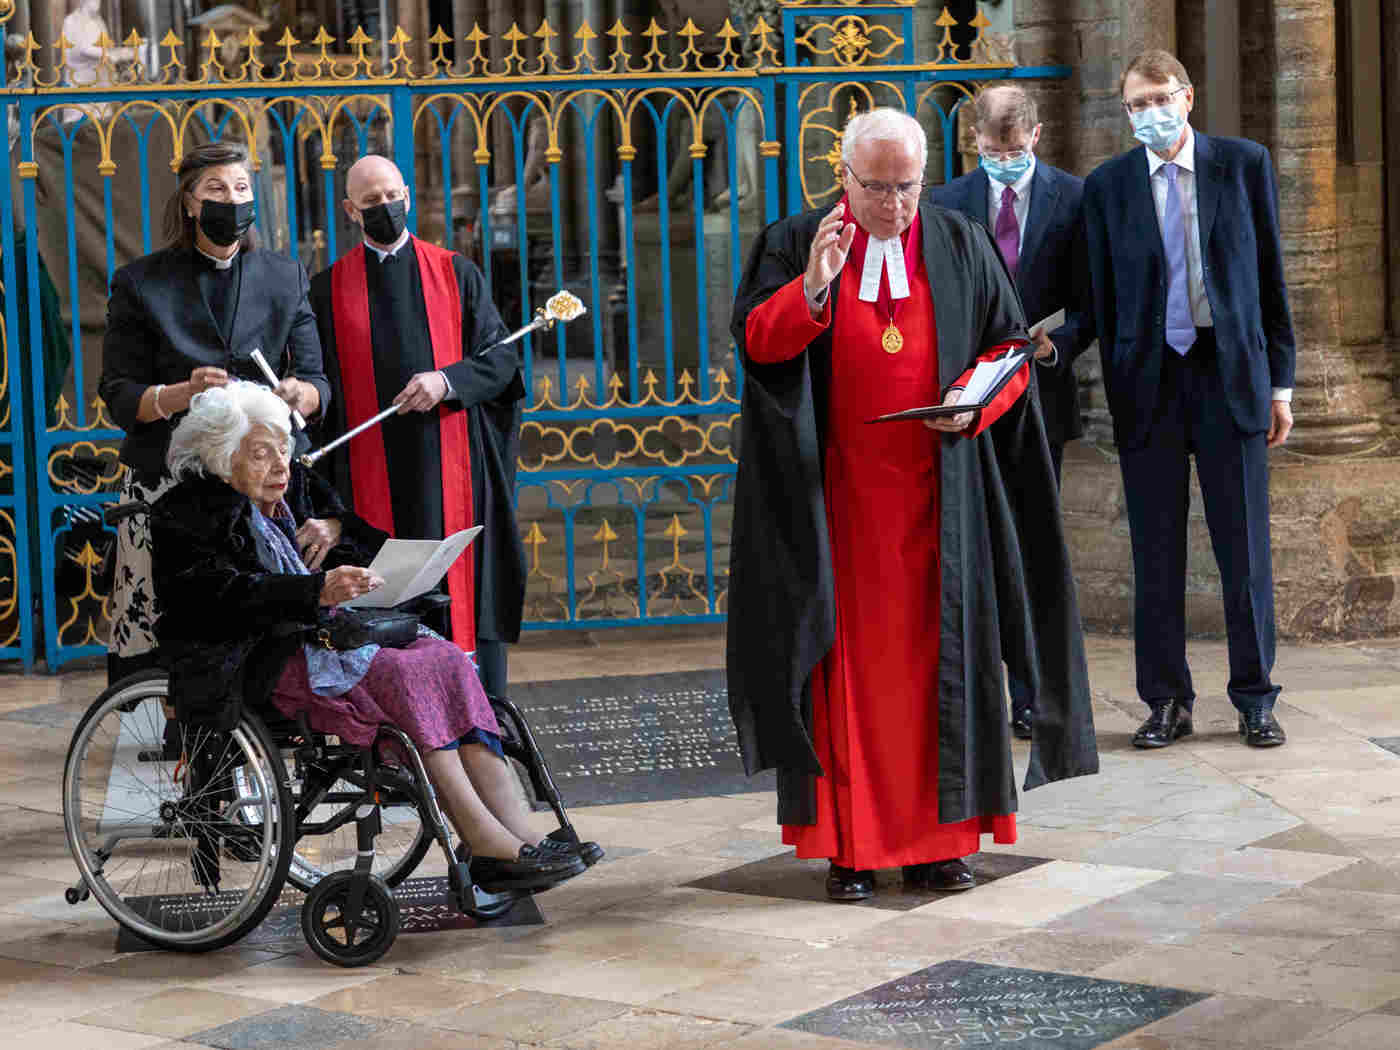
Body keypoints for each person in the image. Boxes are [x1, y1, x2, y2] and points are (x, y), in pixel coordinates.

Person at [728, 107, 1097, 903]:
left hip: (944, 502)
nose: (894, 205)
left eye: (908, 187)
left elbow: (1010, 349)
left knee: (947, 672)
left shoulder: (961, 242)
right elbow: (758, 346)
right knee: (852, 685)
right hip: (838, 509)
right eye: (877, 188)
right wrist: (813, 287)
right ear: (844, 177)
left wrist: (975, 403)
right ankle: (852, 850)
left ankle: (942, 846)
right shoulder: (796, 242)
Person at [150, 381, 595, 891]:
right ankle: (485, 840)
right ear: (222, 456)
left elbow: (361, 536)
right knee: (404, 675)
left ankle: (519, 832)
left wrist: (336, 530)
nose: (280, 465)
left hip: (326, 636)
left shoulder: (294, 487)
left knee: (446, 659)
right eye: (260, 454)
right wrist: (314, 590)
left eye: (283, 449)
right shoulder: (188, 513)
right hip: (255, 655)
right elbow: (214, 596)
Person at [1081, 50, 1295, 750]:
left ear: (1188, 97)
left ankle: (1255, 698)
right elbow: (1100, 296)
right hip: (1150, 383)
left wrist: (1281, 385)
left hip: (1229, 375)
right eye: (1137, 104)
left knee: (1244, 552)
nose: (1151, 113)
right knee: (1156, 554)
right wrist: (1062, 349)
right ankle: (1166, 700)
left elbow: (1271, 277)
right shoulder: (1108, 185)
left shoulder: (1243, 164)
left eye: (1160, 98)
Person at [98, 140, 327, 683]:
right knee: (162, 632)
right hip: (168, 483)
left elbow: (318, 384)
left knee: (263, 628)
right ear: (189, 202)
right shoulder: (141, 282)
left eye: (241, 187)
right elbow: (119, 394)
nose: (232, 199)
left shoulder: (285, 276)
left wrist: (299, 393)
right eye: (216, 189)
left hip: (258, 482)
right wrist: (181, 393)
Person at [309, 155, 526, 701]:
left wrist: (447, 382)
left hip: (449, 471)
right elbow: (320, 391)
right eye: (371, 201)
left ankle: (480, 719)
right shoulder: (327, 290)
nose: (385, 207)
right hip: (368, 482)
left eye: (391, 196)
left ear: (406, 194)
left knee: (461, 595)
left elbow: (502, 361)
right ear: (351, 211)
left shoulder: (456, 273)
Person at [930, 84, 1094, 741]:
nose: (1004, 160)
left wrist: (1062, 343)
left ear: (1036, 136)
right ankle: (969, 694)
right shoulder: (946, 202)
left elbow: (1092, 298)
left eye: (1015, 149)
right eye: (992, 151)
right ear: (974, 141)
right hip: (969, 400)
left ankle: (1030, 695)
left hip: (1039, 399)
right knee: (967, 548)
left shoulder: (1073, 199)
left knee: (1031, 551)